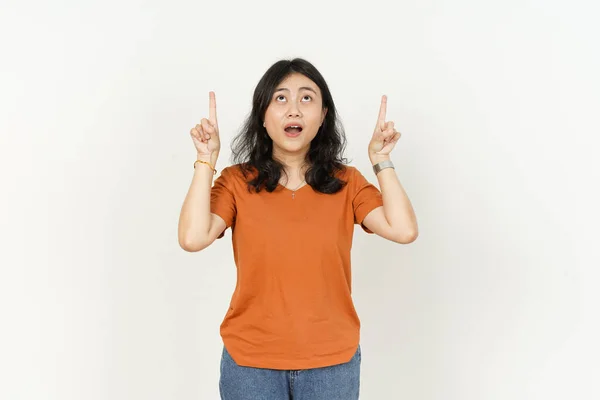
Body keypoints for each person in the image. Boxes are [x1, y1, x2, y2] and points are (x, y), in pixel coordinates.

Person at [178, 58, 418, 400]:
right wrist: (206, 159)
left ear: (323, 116)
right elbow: (192, 237)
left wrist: (381, 160)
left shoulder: (346, 183)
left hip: (331, 363)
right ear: (262, 115)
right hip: (250, 364)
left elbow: (403, 229)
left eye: (307, 98)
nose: (294, 109)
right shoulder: (235, 182)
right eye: (280, 98)